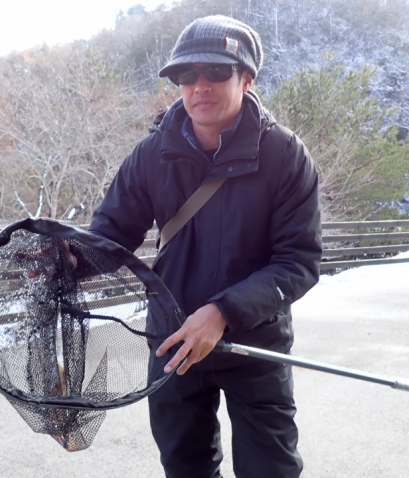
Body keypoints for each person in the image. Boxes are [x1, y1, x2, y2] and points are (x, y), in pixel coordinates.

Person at [88, 15, 322, 478]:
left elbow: (298, 261)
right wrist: (69, 258)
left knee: (271, 470)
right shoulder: (152, 154)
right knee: (184, 466)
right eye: (187, 75)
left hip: (255, 345)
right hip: (173, 342)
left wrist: (221, 313)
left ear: (247, 79)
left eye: (216, 72)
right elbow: (111, 233)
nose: (200, 86)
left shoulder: (285, 155)